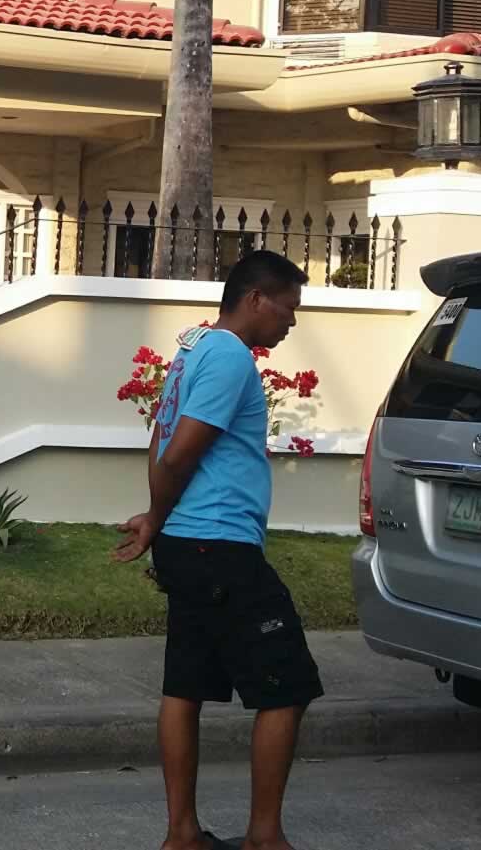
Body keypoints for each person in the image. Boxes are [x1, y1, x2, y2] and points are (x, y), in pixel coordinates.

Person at [114, 249, 323, 850]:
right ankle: (264, 838)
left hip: (187, 543)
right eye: (289, 308)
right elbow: (180, 452)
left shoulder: (194, 350)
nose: (291, 322)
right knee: (288, 686)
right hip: (220, 547)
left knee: (185, 685)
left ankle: (182, 835)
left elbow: (159, 436)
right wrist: (160, 512)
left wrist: (159, 520)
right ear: (258, 299)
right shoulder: (230, 357)